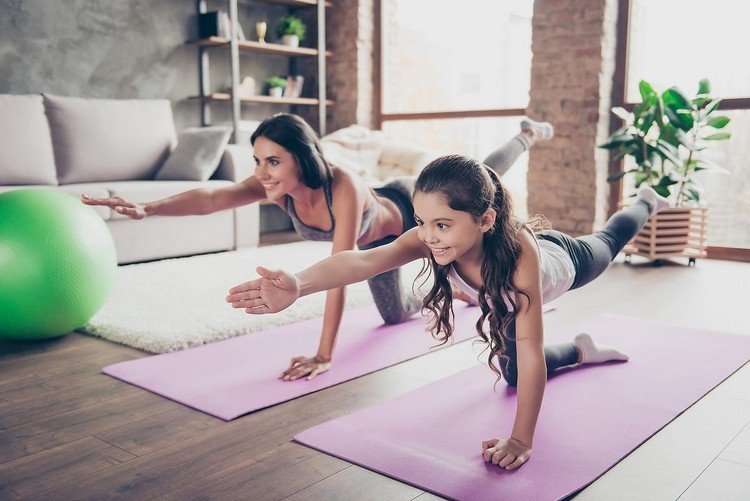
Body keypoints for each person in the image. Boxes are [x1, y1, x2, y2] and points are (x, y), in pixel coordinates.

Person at [225, 153, 670, 471]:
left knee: (608, 242)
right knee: (513, 377)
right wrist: (299, 284)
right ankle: (579, 351)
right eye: (422, 221)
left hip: (563, 263)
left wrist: (520, 439)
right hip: (504, 299)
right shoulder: (429, 237)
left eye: (442, 225)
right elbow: (362, 260)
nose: (429, 236)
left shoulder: (520, 257)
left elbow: (530, 348)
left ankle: (646, 201)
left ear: (486, 220)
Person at [82, 113, 553, 382]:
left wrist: (325, 353)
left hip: (396, 218)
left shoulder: (341, 186)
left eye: (273, 160)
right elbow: (213, 196)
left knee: (485, 175)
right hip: (384, 247)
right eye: (257, 161)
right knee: (395, 314)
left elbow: (342, 268)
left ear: (301, 158)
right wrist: (149, 208)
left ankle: (525, 135)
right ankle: (460, 283)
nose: (262, 171)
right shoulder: (277, 185)